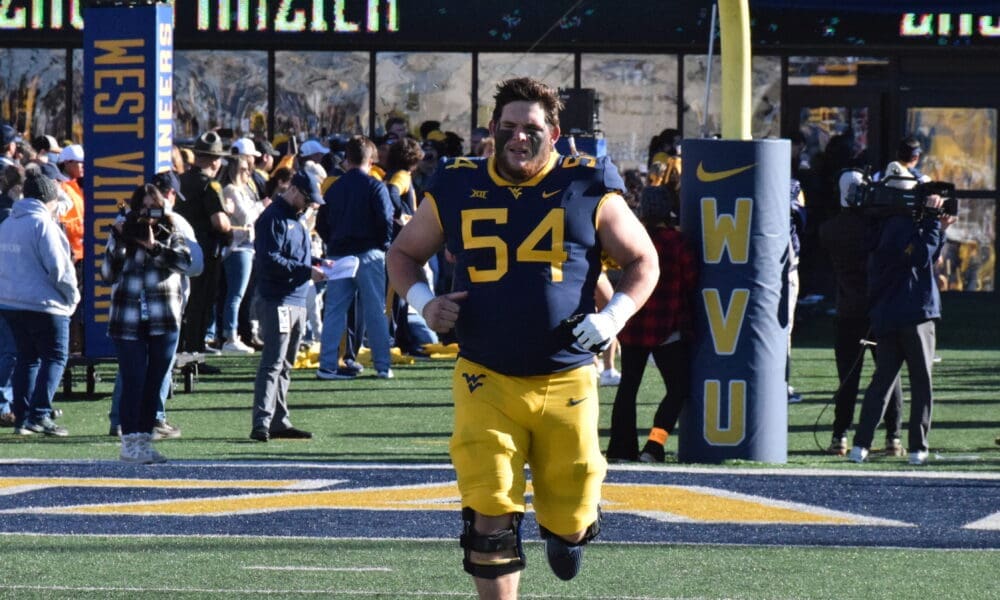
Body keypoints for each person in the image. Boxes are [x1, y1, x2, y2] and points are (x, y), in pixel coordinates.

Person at [387, 77, 658, 597]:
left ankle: (567, 531)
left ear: (553, 133)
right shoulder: (458, 183)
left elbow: (643, 259)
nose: (518, 138)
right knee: (488, 522)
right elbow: (403, 254)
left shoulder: (585, 181)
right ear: (492, 130)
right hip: (485, 376)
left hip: (567, 377)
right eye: (508, 127)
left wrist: (613, 316)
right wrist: (424, 303)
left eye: (531, 128)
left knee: (572, 514)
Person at [848, 144, 957, 466]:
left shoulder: (879, 226)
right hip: (914, 311)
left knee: (882, 381)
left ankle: (860, 445)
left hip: (886, 313)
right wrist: (934, 222)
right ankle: (916, 447)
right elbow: (921, 256)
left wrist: (938, 229)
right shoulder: (903, 225)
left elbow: (923, 257)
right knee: (921, 382)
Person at [606, 185, 697, 463]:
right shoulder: (677, 242)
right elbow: (692, 280)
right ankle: (655, 445)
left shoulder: (634, 238)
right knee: (679, 388)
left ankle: (621, 450)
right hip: (666, 326)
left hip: (633, 323)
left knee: (628, 389)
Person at [102, 184, 192, 462]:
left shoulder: (173, 230)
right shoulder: (122, 230)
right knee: (134, 380)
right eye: (144, 209)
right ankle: (129, 442)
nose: (149, 217)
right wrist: (120, 241)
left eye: (154, 209)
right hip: (128, 317)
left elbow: (185, 263)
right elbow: (107, 274)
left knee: (154, 382)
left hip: (162, 317)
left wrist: (154, 246)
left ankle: (144, 440)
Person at [819, 170, 903, 456]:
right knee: (889, 374)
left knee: (847, 378)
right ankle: (893, 437)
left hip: (848, 310)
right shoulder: (876, 226)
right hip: (879, 310)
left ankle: (839, 436)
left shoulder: (830, 229)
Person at [0, 171, 79, 436]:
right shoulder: (44, 225)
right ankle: (40, 414)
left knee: (27, 358)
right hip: (45, 304)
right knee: (55, 357)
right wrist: (72, 297)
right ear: (49, 198)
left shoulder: (8, 223)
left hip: (11, 303)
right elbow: (59, 269)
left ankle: (22, 418)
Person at [250, 170, 327, 442]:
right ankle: (262, 421)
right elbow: (269, 260)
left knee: (286, 364)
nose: (308, 205)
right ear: (293, 190)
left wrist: (317, 265)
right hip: (279, 300)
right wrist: (308, 271)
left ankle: (278, 420)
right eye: (307, 199)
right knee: (273, 362)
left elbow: (291, 258)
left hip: (295, 299)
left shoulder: (296, 220)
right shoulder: (273, 218)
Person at [315, 135, 395, 381]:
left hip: (339, 254)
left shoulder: (334, 187)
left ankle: (327, 365)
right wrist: (383, 245)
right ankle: (382, 366)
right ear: (370, 160)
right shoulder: (375, 185)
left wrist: (334, 242)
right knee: (375, 311)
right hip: (369, 253)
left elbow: (321, 223)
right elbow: (386, 220)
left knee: (334, 311)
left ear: (346, 159)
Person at [176, 132, 232, 364]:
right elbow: (220, 222)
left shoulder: (179, 181)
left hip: (178, 251)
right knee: (201, 304)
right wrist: (229, 227)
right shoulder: (210, 185)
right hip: (205, 252)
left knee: (182, 303)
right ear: (214, 160)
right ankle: (194, 357)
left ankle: (179, 352)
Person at [219, 154, 262, 354]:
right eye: (245, 169)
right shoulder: (231, 190)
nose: (248, 173)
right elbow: (247, 216)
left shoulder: (245, 190)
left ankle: (232, 334)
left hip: (247, 246)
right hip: (238, 248)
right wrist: (262, 206)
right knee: (235, 295)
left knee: (240, 295)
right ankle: (230, 336)